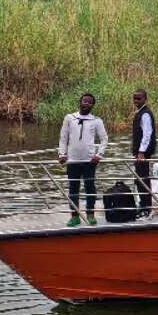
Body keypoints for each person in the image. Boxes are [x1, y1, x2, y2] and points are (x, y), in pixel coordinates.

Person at [57, 92, 109, 226]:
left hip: (89, 161)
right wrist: (62, 154)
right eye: (84, 101)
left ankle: (90, 214)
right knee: (73, 189)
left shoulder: (96, 120)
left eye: (90, 102)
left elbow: (104, 139)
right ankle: (74, 216)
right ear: (80, 102)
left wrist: (99, 155)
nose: (86, 104)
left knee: (90, 188)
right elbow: (63, 137)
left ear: (93, 105)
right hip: (73, 160)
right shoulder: (70, 118)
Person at [130, 88, 157, 215]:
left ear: (145, 99)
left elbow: (147, 134)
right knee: (140, 178)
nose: (136, 101)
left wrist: (141, 151)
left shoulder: (145, 114)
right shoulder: (140, 112)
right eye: (134, 98)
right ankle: (143, 204)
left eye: (139, 98)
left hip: (143, 153)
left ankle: (146, 207)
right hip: (140, 152)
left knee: (143, 179)